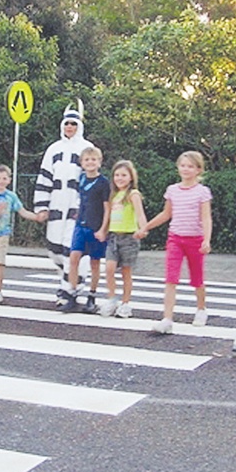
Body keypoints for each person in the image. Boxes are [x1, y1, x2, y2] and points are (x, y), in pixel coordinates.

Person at [136, 150, 212, 333]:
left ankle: (201, 309)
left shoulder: (202, 192)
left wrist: (206, 240)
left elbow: (206, 217)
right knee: (171, 278)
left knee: (197, 278)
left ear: (198, 170)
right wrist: (146, 227)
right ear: (178, 167)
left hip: (195, 239)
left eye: (190, 166)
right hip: (175, 238)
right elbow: (166, 214)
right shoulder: (172, 190)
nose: (186, 169)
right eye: (183, 165)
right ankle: (167, 318)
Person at [33, 105, 93, 304]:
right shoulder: (53, 149)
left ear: (79, 126)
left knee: (73, 249)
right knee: (55, 250)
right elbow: (44, 178)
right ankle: (65, 283)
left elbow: (91, 177)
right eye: (67, 123)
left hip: (77, 208)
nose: (69, 127)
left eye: (73, 123)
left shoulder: (86, 148)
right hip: (56, 205)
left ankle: (70, 290)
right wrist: (42, 207)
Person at [0, 164, 41, 303]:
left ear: (9, 180)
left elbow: (22, 211)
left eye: (4, 178)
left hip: (3, 234)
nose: (1, 181)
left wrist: (36, 217)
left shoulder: (11, 196)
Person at [60, 146, 110, 314]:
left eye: (93, 159)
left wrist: (103, 229)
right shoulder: (81, 179)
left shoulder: (103, 183)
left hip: (95, 227)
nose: (90, 162)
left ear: (99, 162)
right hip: (80, 226)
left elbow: (107, 208)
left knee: (94, 263)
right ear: (82, 163)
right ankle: (72, 293)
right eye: (87, 160)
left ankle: (92, 296)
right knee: (73, 258)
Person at [97, 159, 147, 319]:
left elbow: (140, 213)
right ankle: (112, 299)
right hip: (113, 237)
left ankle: (126, 304)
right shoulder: (114, 195)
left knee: (126, 272)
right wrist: (103, 231)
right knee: (109, 269)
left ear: (131, 177)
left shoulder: (133, 194)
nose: (120, 178)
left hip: (129, 237)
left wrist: (143, 228)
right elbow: (109, 215)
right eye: (117, 175)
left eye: (124, 175)